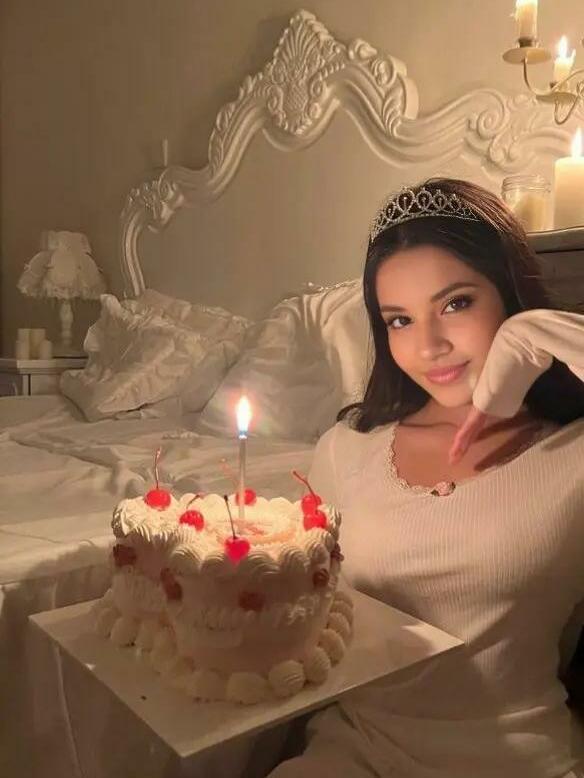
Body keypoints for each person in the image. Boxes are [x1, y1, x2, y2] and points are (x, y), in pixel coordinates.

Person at [269, 178, 584, 778]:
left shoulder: (573, 452)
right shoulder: (347, 449)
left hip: (515, 761)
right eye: (399, 320)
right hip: (356, 748)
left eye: (456, 304)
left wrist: (557, 337)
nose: (429, 345)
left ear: (510, 296)